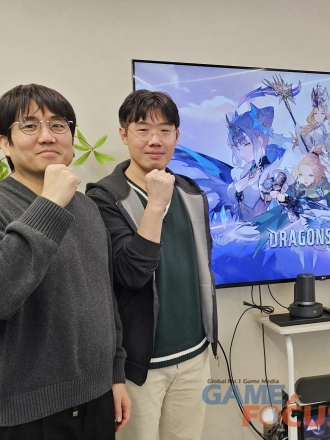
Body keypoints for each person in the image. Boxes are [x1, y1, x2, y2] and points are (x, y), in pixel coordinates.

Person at [0, 84, 130, 440]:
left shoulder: (88, 207)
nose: (47, 136)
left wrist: (115, 374)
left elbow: (103, 297)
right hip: (25, 413)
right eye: (29, 125)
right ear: (5, 143)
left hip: (96, 398)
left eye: (58, 125)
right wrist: (49, 205)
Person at [86, 90, 218, 440]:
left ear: (177, 135)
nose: (155, 140)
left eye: (165, 130)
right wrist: (156, 205)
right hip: (139, 365)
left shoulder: (191, 192)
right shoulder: (104, 198)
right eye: (143, 129)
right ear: (124, 134)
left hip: (194, 354)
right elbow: (130, 274)